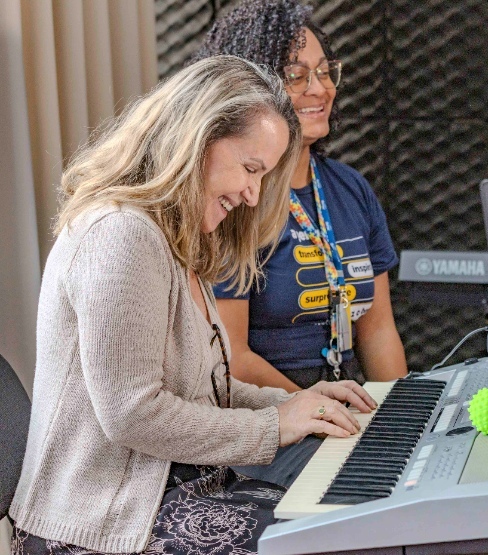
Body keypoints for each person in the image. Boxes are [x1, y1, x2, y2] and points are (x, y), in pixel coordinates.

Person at [9, 55, 377, 554]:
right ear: (197, 139)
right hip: (100, 526)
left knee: (345, 523)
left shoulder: (174, 242)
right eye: (250, 169)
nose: (251, 195)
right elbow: (132, 414)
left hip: (174, 498)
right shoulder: (119, 234)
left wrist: (299, 406)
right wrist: (274, 425)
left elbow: (206, 392)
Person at [192, 0, 408, 489]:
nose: (320, 89)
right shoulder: (233, 201)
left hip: (344, 414)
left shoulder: (351, 188)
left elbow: (377, 331)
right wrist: (315, 412)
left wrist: (396, 421)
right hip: (270, 427)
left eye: (325, 71)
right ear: (253, 88)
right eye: (296, 74)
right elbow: (233, 357)